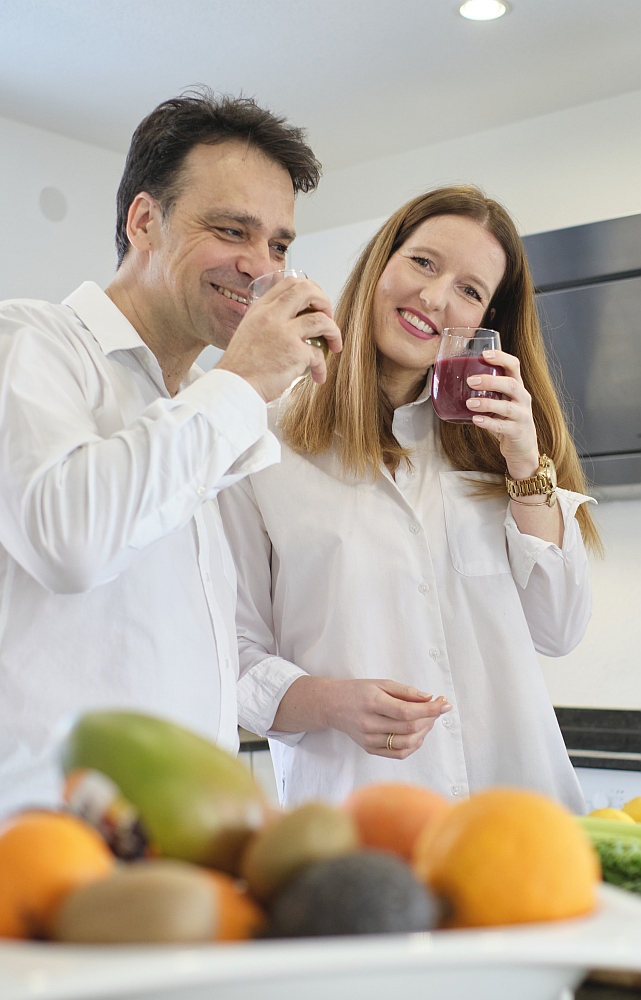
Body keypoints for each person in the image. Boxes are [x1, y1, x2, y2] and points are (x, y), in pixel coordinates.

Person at [0, 91, 342, 893]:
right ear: (143, 222)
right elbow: (70, 543)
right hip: (8, 848)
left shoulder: (197, 415)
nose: (261, 266)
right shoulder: (20, 342)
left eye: (279, 242)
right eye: (230, 230)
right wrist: (245, 380)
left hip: (162, 864)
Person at [219, 185, 600, 814]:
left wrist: (526, 466)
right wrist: (331, 702)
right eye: (423, 262)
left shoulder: (498, 448)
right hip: (361, 818)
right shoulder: (260, 436)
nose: (435, 296)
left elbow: (558, 629)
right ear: (381, 264)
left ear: (486, 324)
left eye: (471, 290)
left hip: (518, 819)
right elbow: (231, 654)